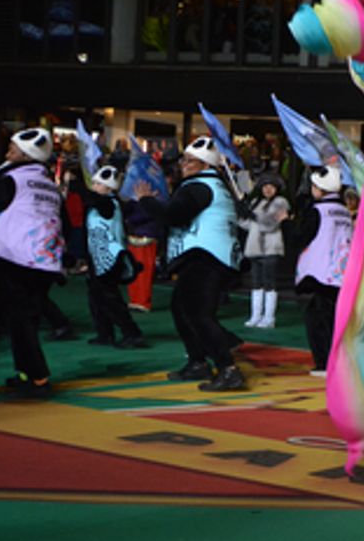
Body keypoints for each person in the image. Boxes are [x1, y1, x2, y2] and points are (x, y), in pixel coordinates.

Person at [135, 136, 246, 392]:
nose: (183, 165)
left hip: (204, 257)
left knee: (198, 314)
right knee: (182, 309)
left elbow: (173, 215)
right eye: (184, 160)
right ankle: (198, 362)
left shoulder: (198, 186)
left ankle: (228, 368)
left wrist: (146, 201)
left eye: (189, 161)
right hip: (212, 256)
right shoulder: (214, 185)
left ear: (205, 165)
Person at [0, 128, 64, 398]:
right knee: (26, 319)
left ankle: (38, 378)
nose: (7, 153)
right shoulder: (49, 185)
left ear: (26, 155)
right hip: (44, 261)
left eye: (12, 148)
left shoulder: (13, 180)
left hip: (15, 258)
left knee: (19, 320)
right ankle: (27, 373)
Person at [293, 166, 353, 376]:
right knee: (334, 318)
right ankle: (340, 361)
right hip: (341, 271)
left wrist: (286, 224)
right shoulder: (344, 211)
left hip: (321, 271)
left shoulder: (318, 211)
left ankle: (326, 363)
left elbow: (300, 237)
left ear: (319, 188)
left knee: (318, 319)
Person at [83, 164, 146, 348]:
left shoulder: (109, 203)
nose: (94, 187)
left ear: (109, 188)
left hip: (110, 257)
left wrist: (76, 183)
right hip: (100, 256)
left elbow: (93, 199)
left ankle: (132, 333)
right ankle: (105, 333)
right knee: (97, 297)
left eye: (98, 184)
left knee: (109, 298)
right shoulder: (104, 203)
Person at [240, 172, 290, 329]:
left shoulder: (281, 202)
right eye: (265, 186)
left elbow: (269, 224)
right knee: (256, 283)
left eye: (271, 186)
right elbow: (247, 225)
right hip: (255, 248)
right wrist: (241, 211)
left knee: (269, 283)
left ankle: (269, 318)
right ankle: (255, 316)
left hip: (271, 249)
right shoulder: (255, 202)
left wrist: (252, 215)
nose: (268, 189)